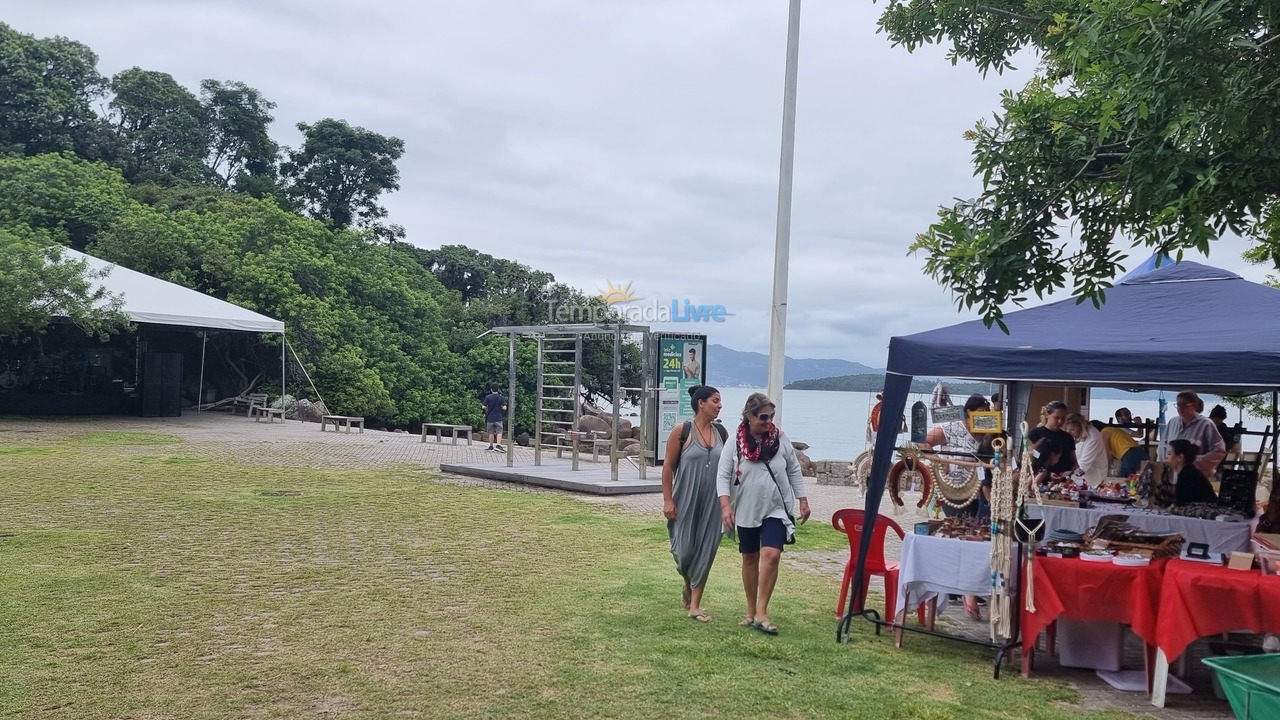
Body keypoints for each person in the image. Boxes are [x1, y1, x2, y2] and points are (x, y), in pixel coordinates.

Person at [716, 392, 810, 635]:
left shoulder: (780, 439)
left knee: (771, 555)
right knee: (749, 557)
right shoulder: (735, 442)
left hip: (776, 507)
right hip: (746, 507)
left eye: (772, 416)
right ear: (748, 416)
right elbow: (723, 475)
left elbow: (794, 470)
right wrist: (725, 506)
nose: (769, 421)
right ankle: (750, 610)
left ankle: (762, 611)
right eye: (764, 417)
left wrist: (803, 500)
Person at [921, 393, 991, 619]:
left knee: (975, 535)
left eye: (987, 412)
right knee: (956, 532)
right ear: (970, 413)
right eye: (981, 412)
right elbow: (923, 439)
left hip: (981, 488)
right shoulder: (952, 428)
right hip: (955, 488)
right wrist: (940, 461)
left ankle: (970, 586)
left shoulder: (990, 428)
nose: (985, 415)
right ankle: (954, 587)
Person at [661, 385, 726, 622]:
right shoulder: (682, 431)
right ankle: (688, 584)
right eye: (715, 401)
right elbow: (668, 466)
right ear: (701, 403)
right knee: (684, 550)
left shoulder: (722, 433)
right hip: (685, 497)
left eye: (720, 402)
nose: (720, 405)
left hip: (714, 501)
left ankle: (696, 604)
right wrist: (668, 500)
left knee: (707, 549)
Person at [1164, 391, 1227, 475]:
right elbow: (1163, 446)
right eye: (1178, 404)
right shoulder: (1173, 422)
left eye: (1184, 404)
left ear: (1194, 406)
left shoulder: (1206, 424)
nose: (1180, 407)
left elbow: (1219, 451)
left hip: (1196, 474)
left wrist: (1194, 461)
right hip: (1172, 475)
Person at [1027, 401, 1078, 474]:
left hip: (1063, 478)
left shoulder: (1068, 437)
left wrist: (1076, 469)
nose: (1060, 421)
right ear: (1047, 415)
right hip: (1040, 476)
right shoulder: (1036, 433)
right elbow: (1030, 454)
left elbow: (1073, 461)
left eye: (1063, 418)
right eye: (1056, 418)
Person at [1167, 439, 1217, 505]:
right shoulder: (1189, 472)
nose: (1166, 457)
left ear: (1180, 457)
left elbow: (1180, 502)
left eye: (1169, 454)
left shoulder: (1188, 475)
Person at [1065, 413, 1108, 485]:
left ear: (1081, 426)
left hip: (1095, 474)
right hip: (1081, 470)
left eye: (1072, 429)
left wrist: (1067, 476)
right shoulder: (1075, 434)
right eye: (1067, 429)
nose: (1069, 432)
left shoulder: (1093, 437)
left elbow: (1083, 466)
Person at [482, 384, 507, 452]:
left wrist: (488, 407)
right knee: (499, 432)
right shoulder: (501, 397)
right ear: (498, 389)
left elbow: (483, 407)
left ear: (491, 389)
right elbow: (504, 408)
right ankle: (498, 445)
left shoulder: (488, 397)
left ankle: (491, 446)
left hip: (490, 418)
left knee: (491, 432)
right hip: (498, 417)